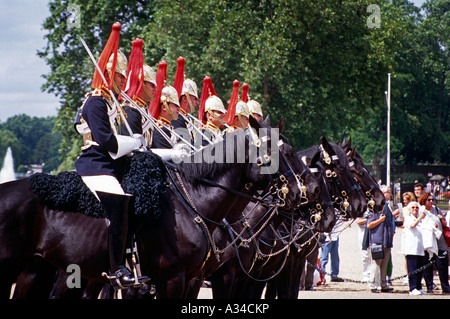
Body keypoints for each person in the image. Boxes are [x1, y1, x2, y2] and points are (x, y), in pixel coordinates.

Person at [74, 23, 149, 289]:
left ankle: (133, 257)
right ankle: (116, 267)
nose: (122, 82)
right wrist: (135, 141)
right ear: (107, 74)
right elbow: (106, 141)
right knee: (119, 203)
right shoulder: (95, 102)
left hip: (108, 164)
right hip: (96, 165)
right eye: (118, 77)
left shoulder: (107, 102)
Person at [418, 192, 450, 294]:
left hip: (439, 239)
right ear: (424, 201)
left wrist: (441, 219)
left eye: (432, 200)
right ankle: (429, 286)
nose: (431, 202)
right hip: (428, 240)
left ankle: (445, 286)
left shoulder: (437, 210)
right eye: (429, 200)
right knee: (428, 264)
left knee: (443, 263)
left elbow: (445, 224)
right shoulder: (421, 211)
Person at [366, 185, 395, 293]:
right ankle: (372, 284)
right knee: (376, 263)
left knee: (384, 264)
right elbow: (369, 225)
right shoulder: (375, 207)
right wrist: (380, 220)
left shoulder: (387, 206)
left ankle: (383, 284)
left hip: (387, 240)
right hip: (377, 240)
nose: (390, 194)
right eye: (388, 192)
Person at [402, 201, 427, 295]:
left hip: (420, 248)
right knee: (412, 269)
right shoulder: (408, 218)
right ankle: (412, 288)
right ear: (409, 209)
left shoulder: (421, 220)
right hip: (412, 248)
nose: (415, 209)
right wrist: (420, 217)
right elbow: (412, 226)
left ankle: (418, 287)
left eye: (417, 207)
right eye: (413, 207)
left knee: (420, 269)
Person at [196, 76, 227, 146]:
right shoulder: (203, 133)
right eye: (219, 112)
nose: (224, 114)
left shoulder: (219, 132)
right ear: (209, 115)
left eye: (224, 112)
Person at [356, 211, 371, 283]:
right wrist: (367, 220)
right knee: (364, 254)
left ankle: (373, 274)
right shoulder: (362, 209)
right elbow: (358, 221)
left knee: (372, 254)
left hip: (372, 230)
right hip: (363, 230)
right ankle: (366, 274)